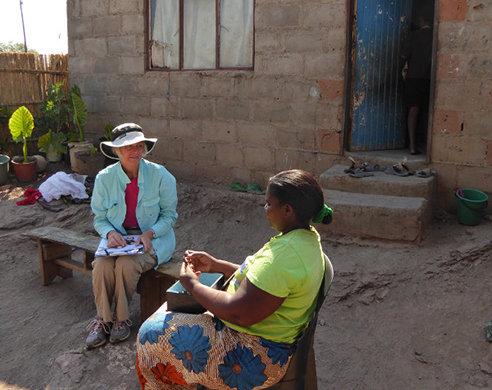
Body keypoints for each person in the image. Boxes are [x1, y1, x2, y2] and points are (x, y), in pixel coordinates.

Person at [135, 169, 333, 390]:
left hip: (254, 356)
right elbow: (265, 283)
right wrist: (216, 265)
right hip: (268, 337)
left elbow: (240, 313)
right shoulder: (305, 239)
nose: (266, 210)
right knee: (170, 317)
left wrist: (192, 284)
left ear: (288, 210)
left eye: (269, 204)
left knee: (150, 336)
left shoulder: (285, 255)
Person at [86, 123, 178, 350]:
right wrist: (109, 233)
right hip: (117, 239)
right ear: (117, 151)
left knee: (126, 264)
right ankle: (103, 320)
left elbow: (169, 215)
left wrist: (150, 233)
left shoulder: (161, 175)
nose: (135, 151)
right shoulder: (104, 178)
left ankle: (121, 319)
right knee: (102, 266)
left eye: (139, 146)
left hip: (154, 239)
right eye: (128, 147)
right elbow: (99, 217)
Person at [400, 15, 433, 155]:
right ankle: (427, 146)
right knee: (428, 113)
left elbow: (403, 56)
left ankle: (413, 146)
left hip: (414, 78)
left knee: (413, 112)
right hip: (430, 78)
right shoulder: (435, 36)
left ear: (421, 21)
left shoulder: (414, 36)